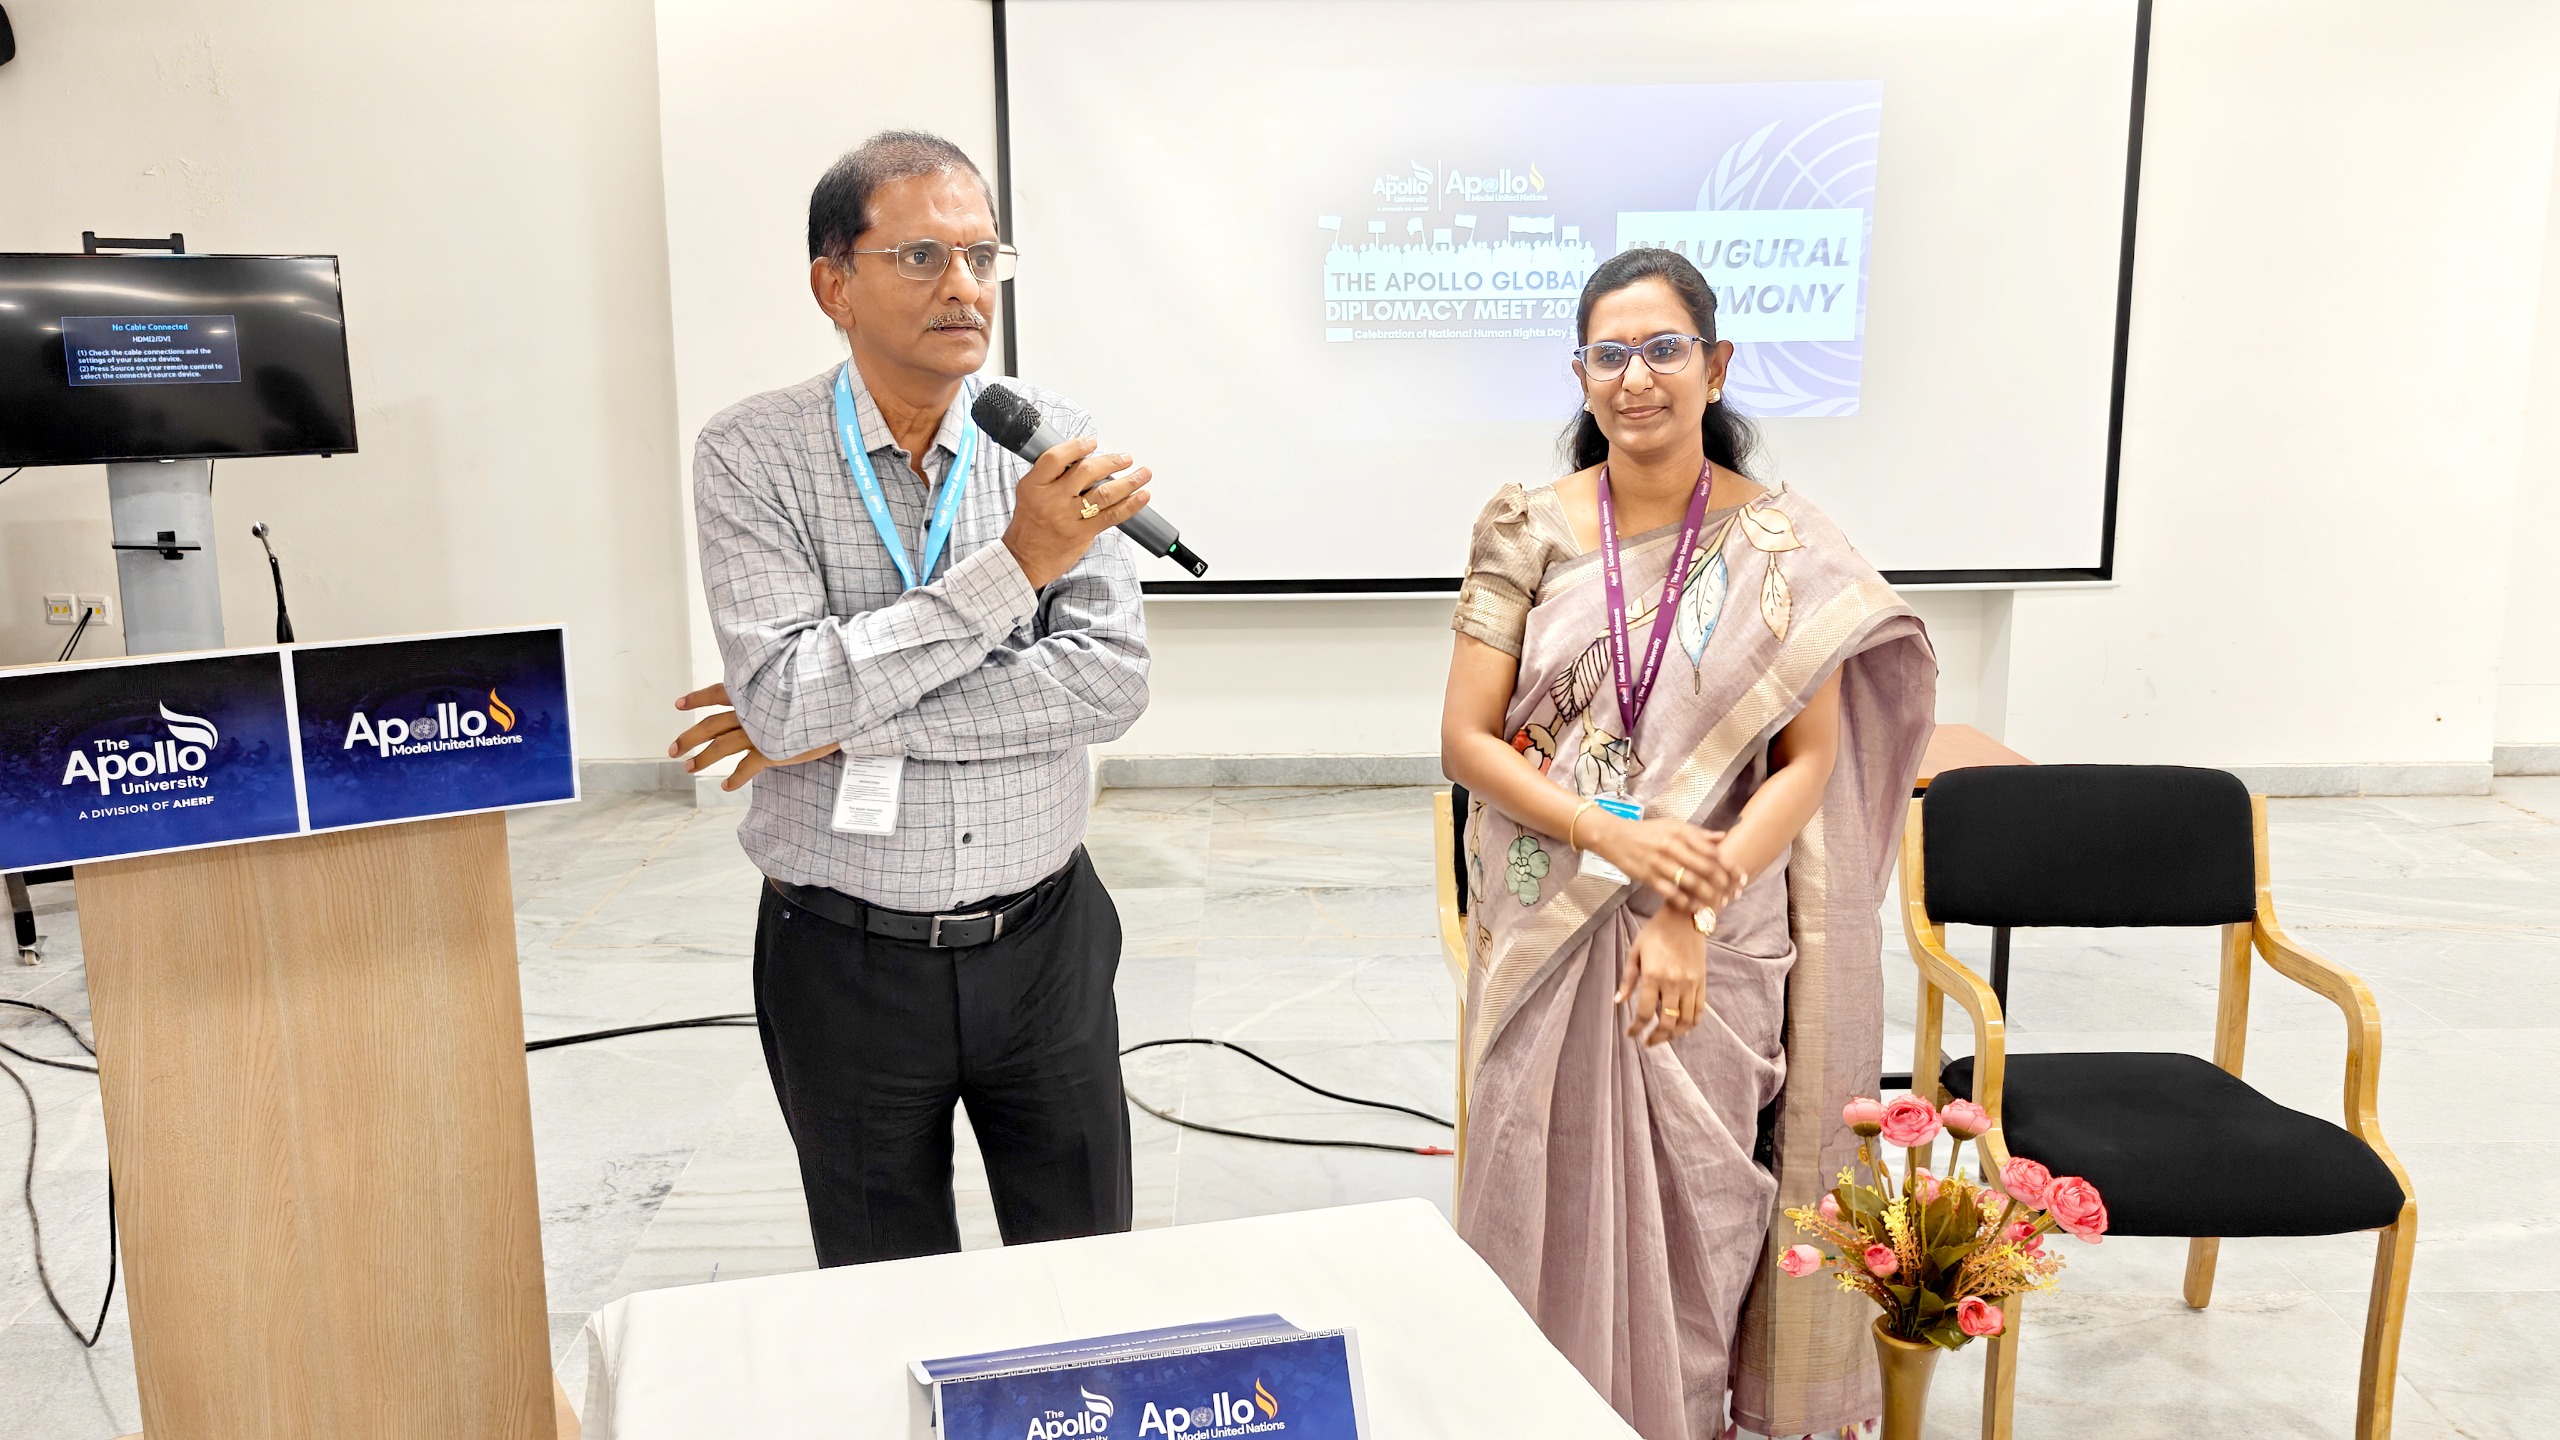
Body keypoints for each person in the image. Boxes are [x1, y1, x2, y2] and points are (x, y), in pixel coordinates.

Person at [1438, 248, 1935, 1440]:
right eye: (1610, 355)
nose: (1636, 378)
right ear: (1580, 374)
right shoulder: (1525, 528)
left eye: (1663, 349)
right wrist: (1617, 832)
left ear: (1713, 366)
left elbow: (1808, 762)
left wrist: (1687, 907)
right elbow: (1466, 740)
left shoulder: (1782, 549)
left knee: (1701, 1220)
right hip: (1554, 910)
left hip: (1717, 926)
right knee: (1533, 1202)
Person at [667, 130, 1154, 1266]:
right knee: (882, 1291)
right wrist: (1015, 568)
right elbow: (784, 703)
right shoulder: (752, 454)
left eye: (984, 254)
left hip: (1046, 939)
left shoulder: (1052, 443)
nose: (964, 286)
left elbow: (1108, 683)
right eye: (923, 255)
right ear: (832, 282)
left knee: (1087, 1274)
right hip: (842, 957)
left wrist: (829, 714)